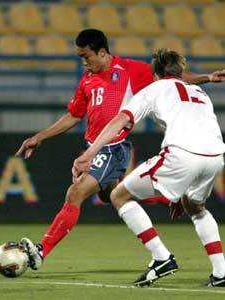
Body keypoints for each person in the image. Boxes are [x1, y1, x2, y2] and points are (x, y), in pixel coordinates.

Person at [15, 29, 225, 273]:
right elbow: (74, 115)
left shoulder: (130, 69)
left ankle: (41, 251)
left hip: (112, 147)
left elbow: (173, 79)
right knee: (115, 196)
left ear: (102, 52)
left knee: (76, 192)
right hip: (95, 146)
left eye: (86, 56)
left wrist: (207, 77)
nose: (84, 62)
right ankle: (172, 196)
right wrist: (39, 137)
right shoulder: (87, 79)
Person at [73, 48, 225, 287]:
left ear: (155, 74)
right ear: (180, 72)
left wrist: (90, 153)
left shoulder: (153, 88)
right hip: (216, 156)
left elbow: (120, 120)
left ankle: (161, 258)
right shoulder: (198, 91)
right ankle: (221, 273)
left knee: (119, 195)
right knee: (195, 206)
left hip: (182, 155)